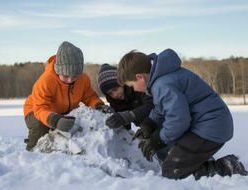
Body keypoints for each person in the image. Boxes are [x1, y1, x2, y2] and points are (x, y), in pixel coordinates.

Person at [117, 48, 248, 180]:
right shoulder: (161, 79)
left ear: (140, 77)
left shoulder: (162, 84)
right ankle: (198, 162)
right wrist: (149, 124)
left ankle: (227, 167)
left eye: (132, 85)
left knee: (172, 171)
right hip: (208, 124)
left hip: (211, 127)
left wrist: (158, 140)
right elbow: (162, 109)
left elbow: (179, 120)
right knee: (174, 159)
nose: (133, 89)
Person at [23, 41, 104, 151]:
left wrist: (99, 106)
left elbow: (90, 97)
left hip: (62, 111)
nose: (70, 80)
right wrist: (55, 120)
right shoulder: (46, 81)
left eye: (75, 76)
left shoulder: (83, 79)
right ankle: (32, 151)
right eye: (66, 76)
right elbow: (40, 108)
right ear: (58, 70)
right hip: (35, 110)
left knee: (72, 128)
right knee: (41, 127)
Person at [97, 63, 154, 130]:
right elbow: (124, 126)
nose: (115, 95)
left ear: (122, 83)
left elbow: (152, 105)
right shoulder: (115, 102)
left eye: (115, 89)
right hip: (147, 129)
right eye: (110, 94)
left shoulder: (137, 87)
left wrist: (130, 115)